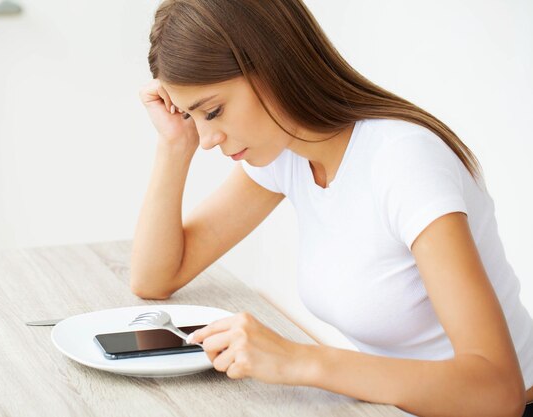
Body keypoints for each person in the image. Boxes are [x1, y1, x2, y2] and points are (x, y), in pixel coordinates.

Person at [130, 1, 533, 416]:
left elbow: (498, 392)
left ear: (273, 65)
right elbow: (155, 277)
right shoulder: (287, 153)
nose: (209, 138)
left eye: (213, 111)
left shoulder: (403, 162)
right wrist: (175, 146)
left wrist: (300, 359)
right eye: (193, 116)